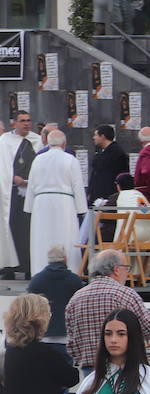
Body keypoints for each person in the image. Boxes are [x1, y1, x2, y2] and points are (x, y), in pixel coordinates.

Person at [64, 250, 150, 371]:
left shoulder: (75, 299)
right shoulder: (125, 295)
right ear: (117, 269)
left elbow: (71, 345)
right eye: (126, 268)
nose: (127, 274)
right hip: (122, 368)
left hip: (89, 369)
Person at [24, 130, 87, 274]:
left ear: (47, 142)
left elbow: (31, 184)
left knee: (41, 239)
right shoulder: (71, 159)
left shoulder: (38, 159)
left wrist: (29, 207)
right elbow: (77, 185)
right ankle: (70, 272)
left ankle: (39, 272)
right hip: (64, 204)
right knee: (67, 237)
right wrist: (81, 209)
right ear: (64, 144)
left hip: (41, 204)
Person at [0, 110, 40, 278]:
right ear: (14, 123)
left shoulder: (36, 140)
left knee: (30, 229)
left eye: (29, 120)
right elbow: (3, 166)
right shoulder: (5, 141)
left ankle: (30, 267)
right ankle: (9, 267)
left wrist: (29, 182)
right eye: (22, 120)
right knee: (11, 228)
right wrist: (13, 178)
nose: (26, 123)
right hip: (12, 192)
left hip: (32, 192)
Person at [28, 245, 85, 347]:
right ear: (65, 260)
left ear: (48, 260)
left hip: (43, 334)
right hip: (68, 334)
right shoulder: (75, 281)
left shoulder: (36, 281)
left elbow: (29, 309)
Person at [88, 125, 128, 205]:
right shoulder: (102, 152)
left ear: (102, 136)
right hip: (98, 197)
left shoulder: (117, 153)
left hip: (108, 197)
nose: (93, 137)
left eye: (96, 135)